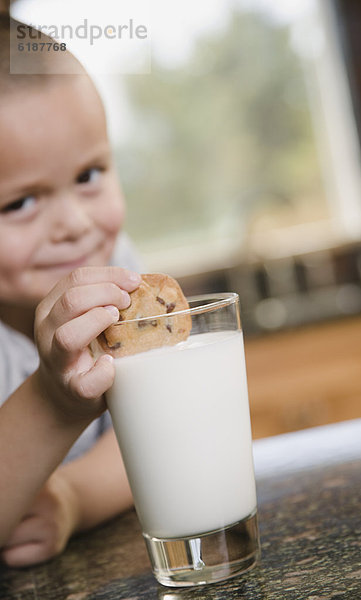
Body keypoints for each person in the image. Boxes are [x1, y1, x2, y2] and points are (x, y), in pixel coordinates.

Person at [0, 13, 144, 567]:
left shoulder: (111, 264)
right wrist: (53, 403)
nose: (76, 225)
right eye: (19, 203)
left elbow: (156, 432)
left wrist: (73, 498)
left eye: (89, 175)